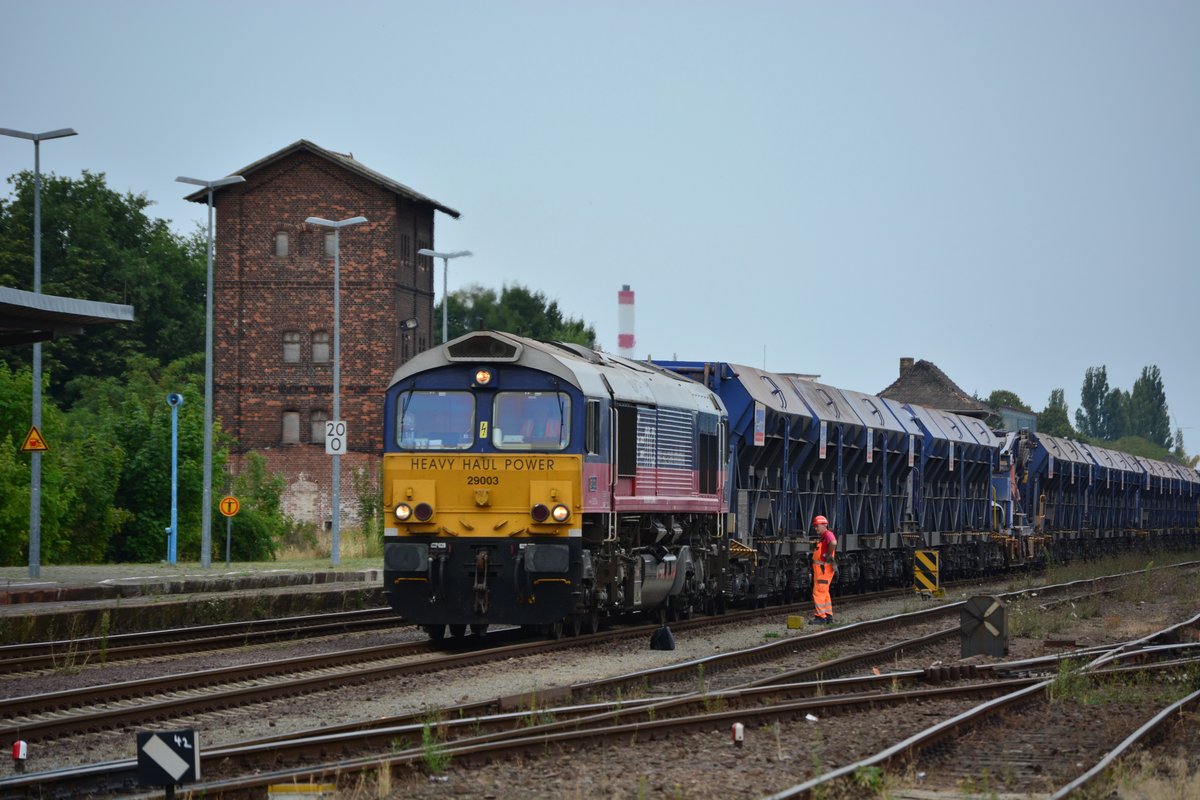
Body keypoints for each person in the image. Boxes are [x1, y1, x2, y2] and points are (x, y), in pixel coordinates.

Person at [811, 515, 837, 624]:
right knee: (824, 592)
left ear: (824, 525)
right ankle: (828, 615)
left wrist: (827, 553)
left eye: (817, 526)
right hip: (823, 569)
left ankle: (820, 617)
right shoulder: (824, 536)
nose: (816, 528)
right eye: (815, 526)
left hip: (823, 569)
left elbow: (834, 543)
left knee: (818, 592)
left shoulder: (827, 534)